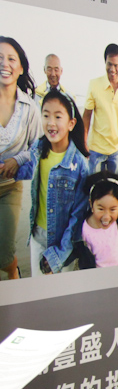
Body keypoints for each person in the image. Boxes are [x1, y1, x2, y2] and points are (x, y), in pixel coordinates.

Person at [14, 90, 89, 275]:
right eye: (46, 115)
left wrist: (60, 255)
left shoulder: (79, 165)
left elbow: (77, 217)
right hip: (38, 237)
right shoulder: (38, 150)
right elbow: (24, 170)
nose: (51, 122)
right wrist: (9, 166)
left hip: (64, 245)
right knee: (39, 293)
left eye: (58, 116)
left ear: (71, 123)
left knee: (60, 297)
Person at [0, 36, 43, 280]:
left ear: (20, 68)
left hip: (9, 189)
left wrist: (18, 159)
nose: (4, 63)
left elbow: (38, 146)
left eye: (10, 59)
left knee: (3, 254)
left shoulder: (30, 107)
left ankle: (12, 270)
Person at [82, 43, 118, 175]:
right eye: (109, 64)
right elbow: (86, 116)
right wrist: (84, 142)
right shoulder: (94, 85)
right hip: (96, 149)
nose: (112, 69)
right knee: (94, 190)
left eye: (115, 65)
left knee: (115, 191)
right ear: (105, 63)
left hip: (116, 151)